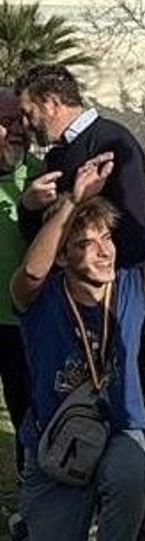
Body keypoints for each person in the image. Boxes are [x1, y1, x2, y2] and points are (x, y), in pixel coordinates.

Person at [9, 143, 145, 541]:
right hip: (56, 446)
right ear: (63, 256)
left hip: (116, 431)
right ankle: (27, 534)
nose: (104, 250)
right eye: (86, 243)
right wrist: (72, 201)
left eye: (106, 238)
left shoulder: (132, 284)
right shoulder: (39, 297)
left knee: (131, 470)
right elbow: (31, 271)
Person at [17, 64, 145, 541]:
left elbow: (135, 228)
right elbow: (46, 238)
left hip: (117, 297)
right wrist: (30, 208)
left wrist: (121, 291)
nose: (26, 124)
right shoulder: (57, 154)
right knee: (74, 392)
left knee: (125, 395)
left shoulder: (113, 141)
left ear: (50, 102)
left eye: (28, 112)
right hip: (65, 300)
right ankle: (83, 496)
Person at [0, 89, 39, 472]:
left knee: (29, 417)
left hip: (25, 324)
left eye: (22, 121)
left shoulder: (43, 176)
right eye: (7, 121)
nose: (17, 129)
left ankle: (34, 491)